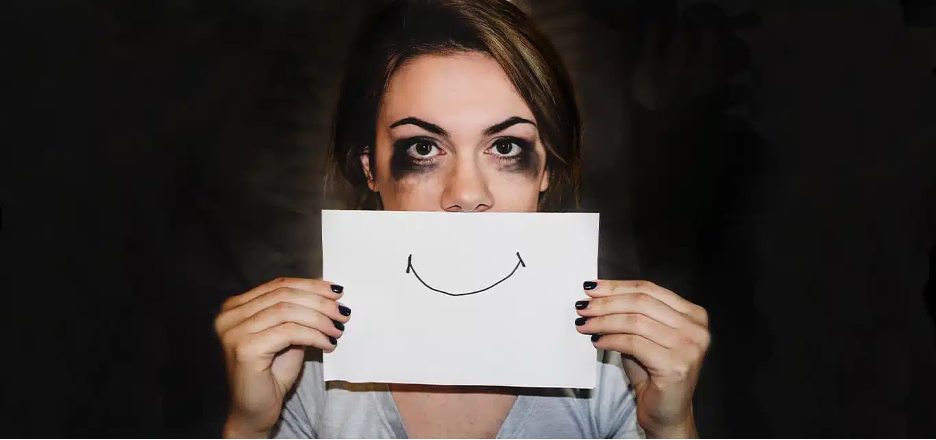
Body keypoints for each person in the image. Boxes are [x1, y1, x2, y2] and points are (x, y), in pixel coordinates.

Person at [215, 0, 710, 438]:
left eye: (506, 147)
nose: (467, 194)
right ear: (371, 168)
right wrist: (249, 426)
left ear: (546, 170)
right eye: (424, 148)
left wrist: (670, 428)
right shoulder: (304, 370)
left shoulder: (619, 369)